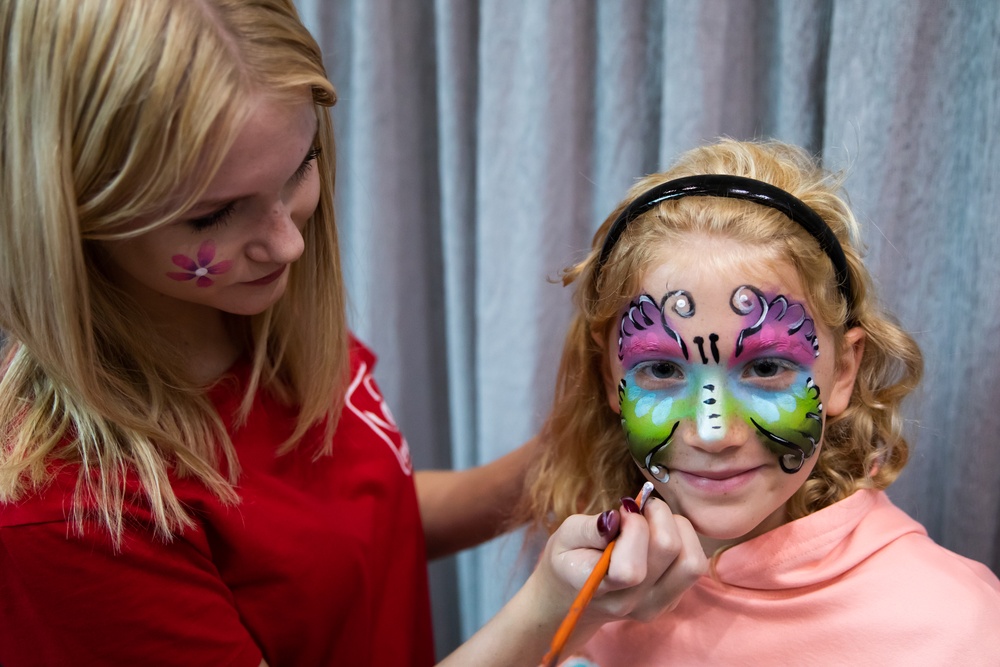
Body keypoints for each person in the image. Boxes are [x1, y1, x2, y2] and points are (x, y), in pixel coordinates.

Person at [0, 1, 707, 665]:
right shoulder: (68, 519)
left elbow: (346, 529)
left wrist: (578, 445)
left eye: (299, 169)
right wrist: (556, 610)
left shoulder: (247, 309)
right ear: (68, 208)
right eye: (213, 216)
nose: (287, 244)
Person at [519, 139, 1000, 665]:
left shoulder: (959, 629)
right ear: (610, 376)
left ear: (843, 370)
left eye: (767, 368)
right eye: (661, 369)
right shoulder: (587, 587)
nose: (712, 432)